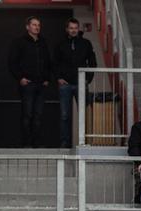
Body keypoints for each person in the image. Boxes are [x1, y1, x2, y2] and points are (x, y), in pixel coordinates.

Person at [8, 16, 52, 148]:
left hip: (41, 84)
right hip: (27, 84)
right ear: (27, 27)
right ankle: (26, 144)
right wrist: (20, 78)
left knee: (38, 116)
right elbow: (12, 62)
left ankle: (36, 144)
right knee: (27, 115)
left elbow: (49, 62)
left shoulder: (43, 42)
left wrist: (47, 78)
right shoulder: (19, 42)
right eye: (34, 25)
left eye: (38, 25)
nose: (37, 27)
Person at [52, 17, 96, 149]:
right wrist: (58, 77)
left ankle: (86, 142)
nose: (73, 30)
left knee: (85, 114)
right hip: (65, 84)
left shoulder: (86, 43)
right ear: (67, 29)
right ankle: (64, 144)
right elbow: (54, 63)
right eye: (71, 28)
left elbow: (93, 63)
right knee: (64, 115)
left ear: (79, 29)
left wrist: (88, 78)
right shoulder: (60, 43)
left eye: (75, 28)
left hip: (81, 84)